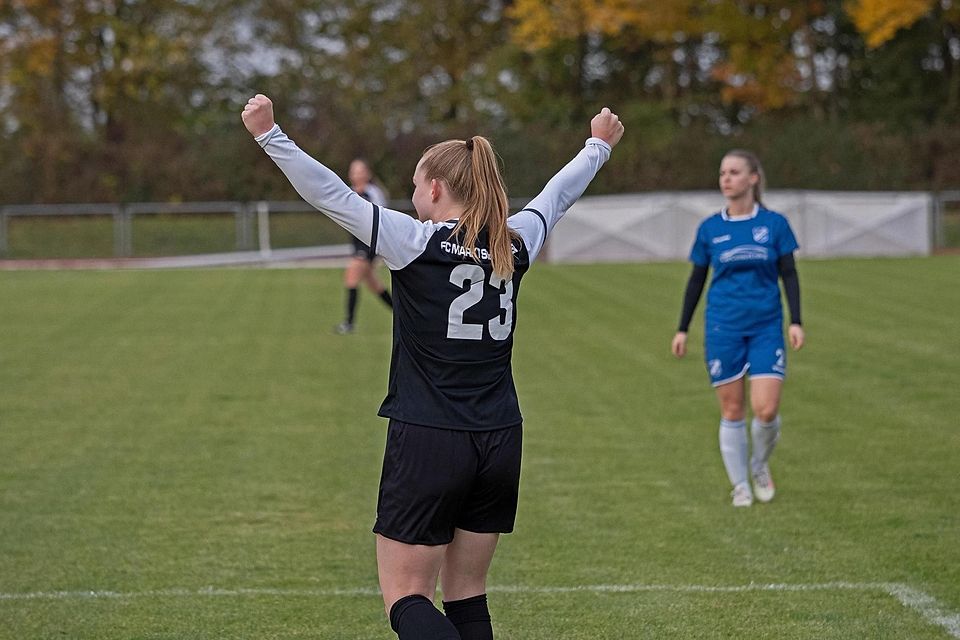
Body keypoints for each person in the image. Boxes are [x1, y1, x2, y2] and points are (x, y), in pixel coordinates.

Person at [242, 93, 623, 640]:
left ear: (437, 189)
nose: (413, 194)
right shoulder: (513, 242)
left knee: (406, 597)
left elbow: (330, 195)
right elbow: (556, 196)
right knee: (466, 594)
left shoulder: (415, 241)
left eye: (417, 184)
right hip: (500, 437)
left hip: (430, 436)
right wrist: (596, 147)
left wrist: (269, 135)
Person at [671, 149, 804, 508]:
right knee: (732, 410)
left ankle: (759, 464)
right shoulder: (710, 228)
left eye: (733, 172)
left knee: (766, 410)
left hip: (765, 327)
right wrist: (682, 328)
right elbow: (696, 280)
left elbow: (789, 274)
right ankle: (740, 485)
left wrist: (796, 321)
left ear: (753, 178)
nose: (726, 179)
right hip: (723, 328)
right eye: (722, 173)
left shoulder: (774, 224)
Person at [336, 158, 394, 334]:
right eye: (353, 171)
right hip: (357, 243)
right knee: (374, 284)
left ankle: (349, 324)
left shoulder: (373, 193)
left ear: (367, 174)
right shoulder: (350, 192)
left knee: (351, 277)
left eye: (360, 171)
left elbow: (382, 218)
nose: (357, 174)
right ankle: (403, 313)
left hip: (369, 244)